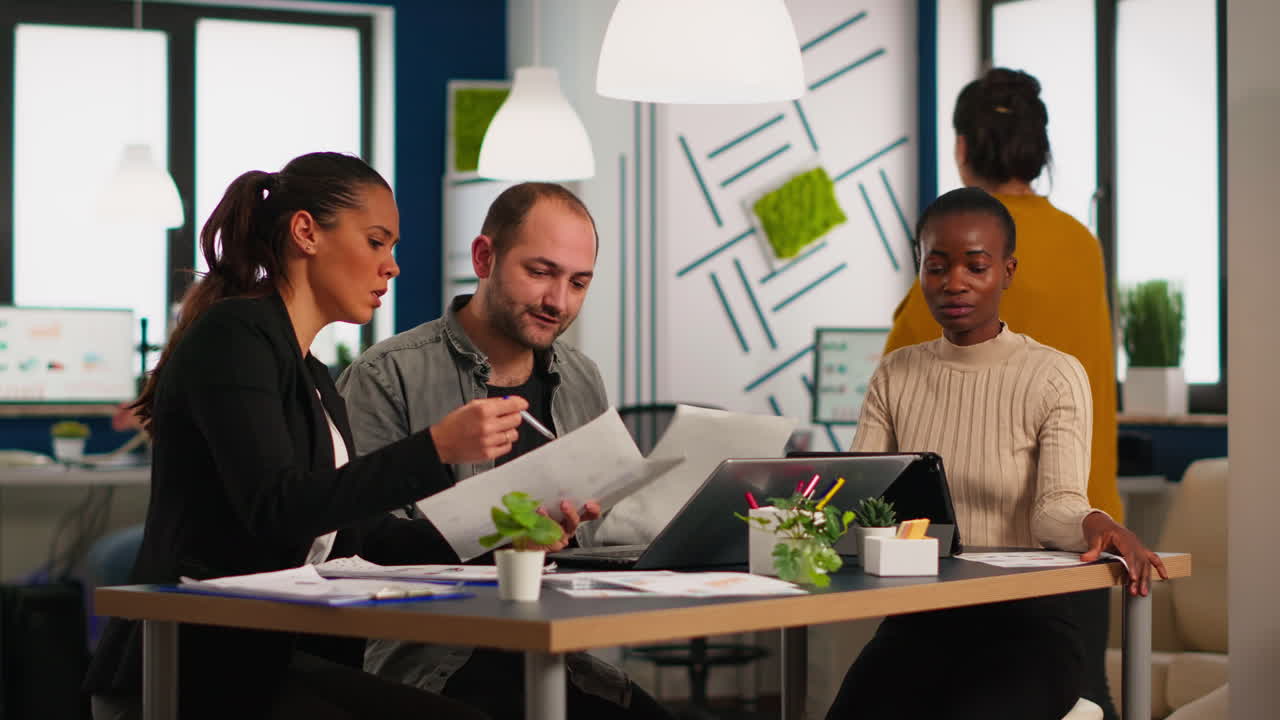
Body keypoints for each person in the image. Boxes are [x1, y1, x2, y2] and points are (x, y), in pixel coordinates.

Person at [83, 153, 593, 720]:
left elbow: (360, 541)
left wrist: (506, 541)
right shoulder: (234, 336)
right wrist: (436, 448)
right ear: (306, 233)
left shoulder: (312, 374)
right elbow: (275, 507)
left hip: (269, 659)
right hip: (195, 667)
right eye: (377, 242)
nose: (392, 266)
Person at [825, 188, 1166, 720]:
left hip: (1028, 630)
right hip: (919, 621)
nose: (953, 282)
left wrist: (1096, 521)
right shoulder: (895, 373)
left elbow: (1055, 507)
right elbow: (863, 495)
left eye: (975, 266)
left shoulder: (1053, 374)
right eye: (935, 267)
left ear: (1007, 271)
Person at [337, 182, 670, 720]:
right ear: (483, 256)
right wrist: (497, 539)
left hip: (558, 654)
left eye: (578, 283)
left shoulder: (582, 379)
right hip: (436, 664)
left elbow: (596, 533)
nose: (557, 302)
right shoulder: (388, 375)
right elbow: (358, 544)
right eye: (540, 272)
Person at [883, 67, 1123, 718]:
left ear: (961, 149)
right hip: (1086, 535)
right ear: (1037, 150)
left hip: (973, 550)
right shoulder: (1083, 244)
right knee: (1082, 696)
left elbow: (903, 397)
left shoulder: (947, 254)